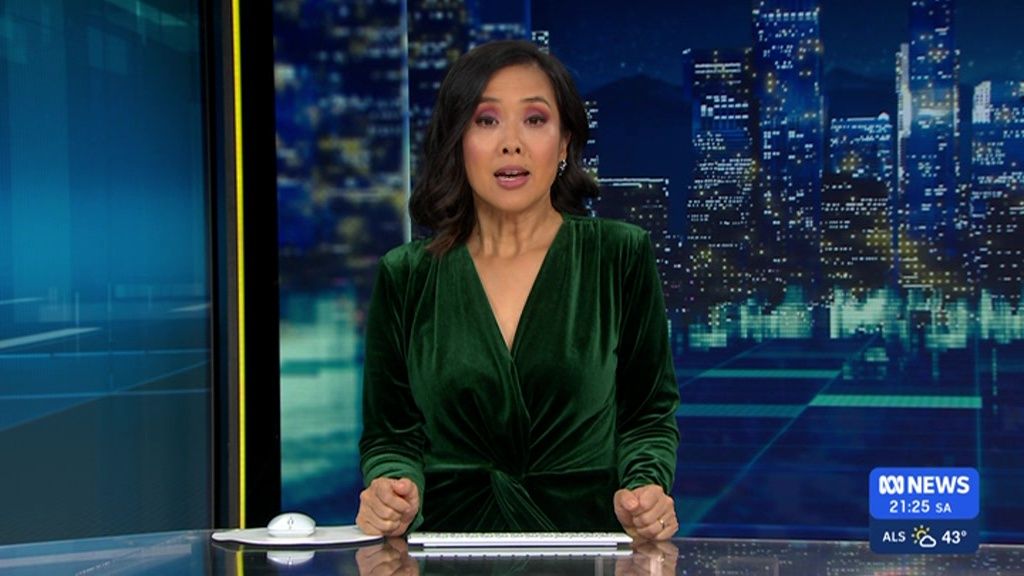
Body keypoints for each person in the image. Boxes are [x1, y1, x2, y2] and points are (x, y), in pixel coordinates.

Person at [356, 39, 679, 540]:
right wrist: (390, 489)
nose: (511, 143)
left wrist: (646, 488)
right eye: (487, 120)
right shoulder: (407, 275)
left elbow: (647, 416)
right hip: (447, 552)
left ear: (564, 142)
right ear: (457, 140)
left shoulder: (619, 255)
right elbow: (390, 437)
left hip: (585, 550)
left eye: (534, 119)